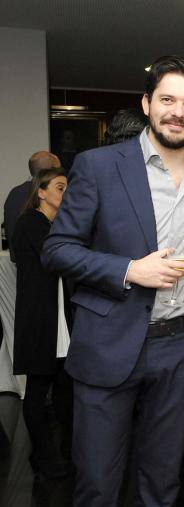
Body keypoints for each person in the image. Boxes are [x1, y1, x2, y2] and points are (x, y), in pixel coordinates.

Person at [41, 55, 184, 507]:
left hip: (181, 345)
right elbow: (57, 250)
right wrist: (129, 269)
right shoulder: (99, 165)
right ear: (147, 104)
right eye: (167, 100)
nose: (178, 112)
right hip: (110, 341)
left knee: (162, 481)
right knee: (99, 484)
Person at [12, 167, 73, 480]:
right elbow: (58, 258)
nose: (65, 193)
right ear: (42, 192)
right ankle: (44, 457)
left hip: (57, 320)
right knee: (38, 392)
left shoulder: (50, 225)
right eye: (60, 188)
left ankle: (60, 455)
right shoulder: (32, 224)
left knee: (63, 388)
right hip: (40, 320)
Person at [4, 151, 61, 261]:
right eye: (58, 170)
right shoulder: (44, 194)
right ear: (50, 171)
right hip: (42, 265)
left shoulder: (14, 193)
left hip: (19, 263)